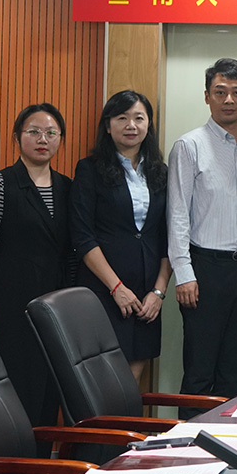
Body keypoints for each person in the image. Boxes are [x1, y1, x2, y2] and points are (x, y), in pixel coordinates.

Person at [167, 58, 237, 405]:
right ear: (207, 96)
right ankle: (191, 439)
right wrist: (184, 274)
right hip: (205, 271)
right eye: (220, 92)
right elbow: (177, 214)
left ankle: (228, 437)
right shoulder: (189, 146)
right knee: (199, 371)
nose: (229, 100)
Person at [0, 103, 75, 428]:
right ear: (17, 137)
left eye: (51, 132)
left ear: (60, 139)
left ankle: (40, 460)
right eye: (34, 131)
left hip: (54, 307)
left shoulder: (68, 188)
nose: (43, 139)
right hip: (10, 307)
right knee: (17, 392)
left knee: (49, 392)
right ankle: (12, 461)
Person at [72, 90, 171, 384]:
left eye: (139, 118)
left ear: (148, 124)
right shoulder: (89, 169)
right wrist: (116, 288)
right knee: (102, 381)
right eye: (122, 118)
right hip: (104, 290)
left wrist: (159, 292)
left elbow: (168, 236)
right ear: (108, 125)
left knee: (131, 381)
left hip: (146, 294)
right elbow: (83, 236)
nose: (131, 125)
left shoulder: (160, 172)